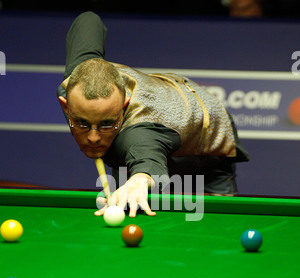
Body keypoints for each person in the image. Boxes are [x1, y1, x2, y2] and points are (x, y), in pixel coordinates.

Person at [57, 12, 250, 218]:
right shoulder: (74, 83)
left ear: (124, 107)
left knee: (217, 218)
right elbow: (89, 19)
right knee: (124, 196)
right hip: (160, 105)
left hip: (207, 132)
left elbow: (147, 161)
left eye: (106, 124)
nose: (93, 137)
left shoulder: (139, 133)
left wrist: (140, 178)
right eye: (82, 123)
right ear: (66, 105)